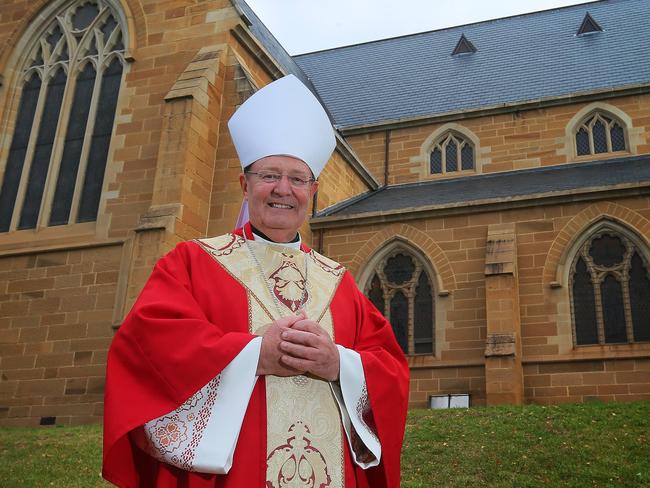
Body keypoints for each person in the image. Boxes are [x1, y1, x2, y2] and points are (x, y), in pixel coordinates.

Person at [102, 75, 409, 487]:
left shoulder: (340, 283)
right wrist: (252, 355)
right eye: (269, 176)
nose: (283, 190)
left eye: (297, 179)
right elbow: (150, 344)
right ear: (244, 185)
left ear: (312, 192)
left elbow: (390, 367)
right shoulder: (194, 261)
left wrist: (338, 364)